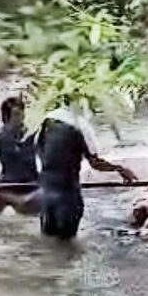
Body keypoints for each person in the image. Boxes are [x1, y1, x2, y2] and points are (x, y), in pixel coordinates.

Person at [36, 98, 137, 239]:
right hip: (67, 195)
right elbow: (95, 163)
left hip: (46, 194)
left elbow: (38, 149)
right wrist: (120, 169)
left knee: (48, 243)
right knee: (67, 247)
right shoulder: (80, 125)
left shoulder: (47, 120)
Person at [0, 97, 40, 215]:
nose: (20, 119)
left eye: (21, 114)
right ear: (6, 118)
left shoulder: (33, 134)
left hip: (32, 184)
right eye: (16, 115)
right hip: (8, 185)